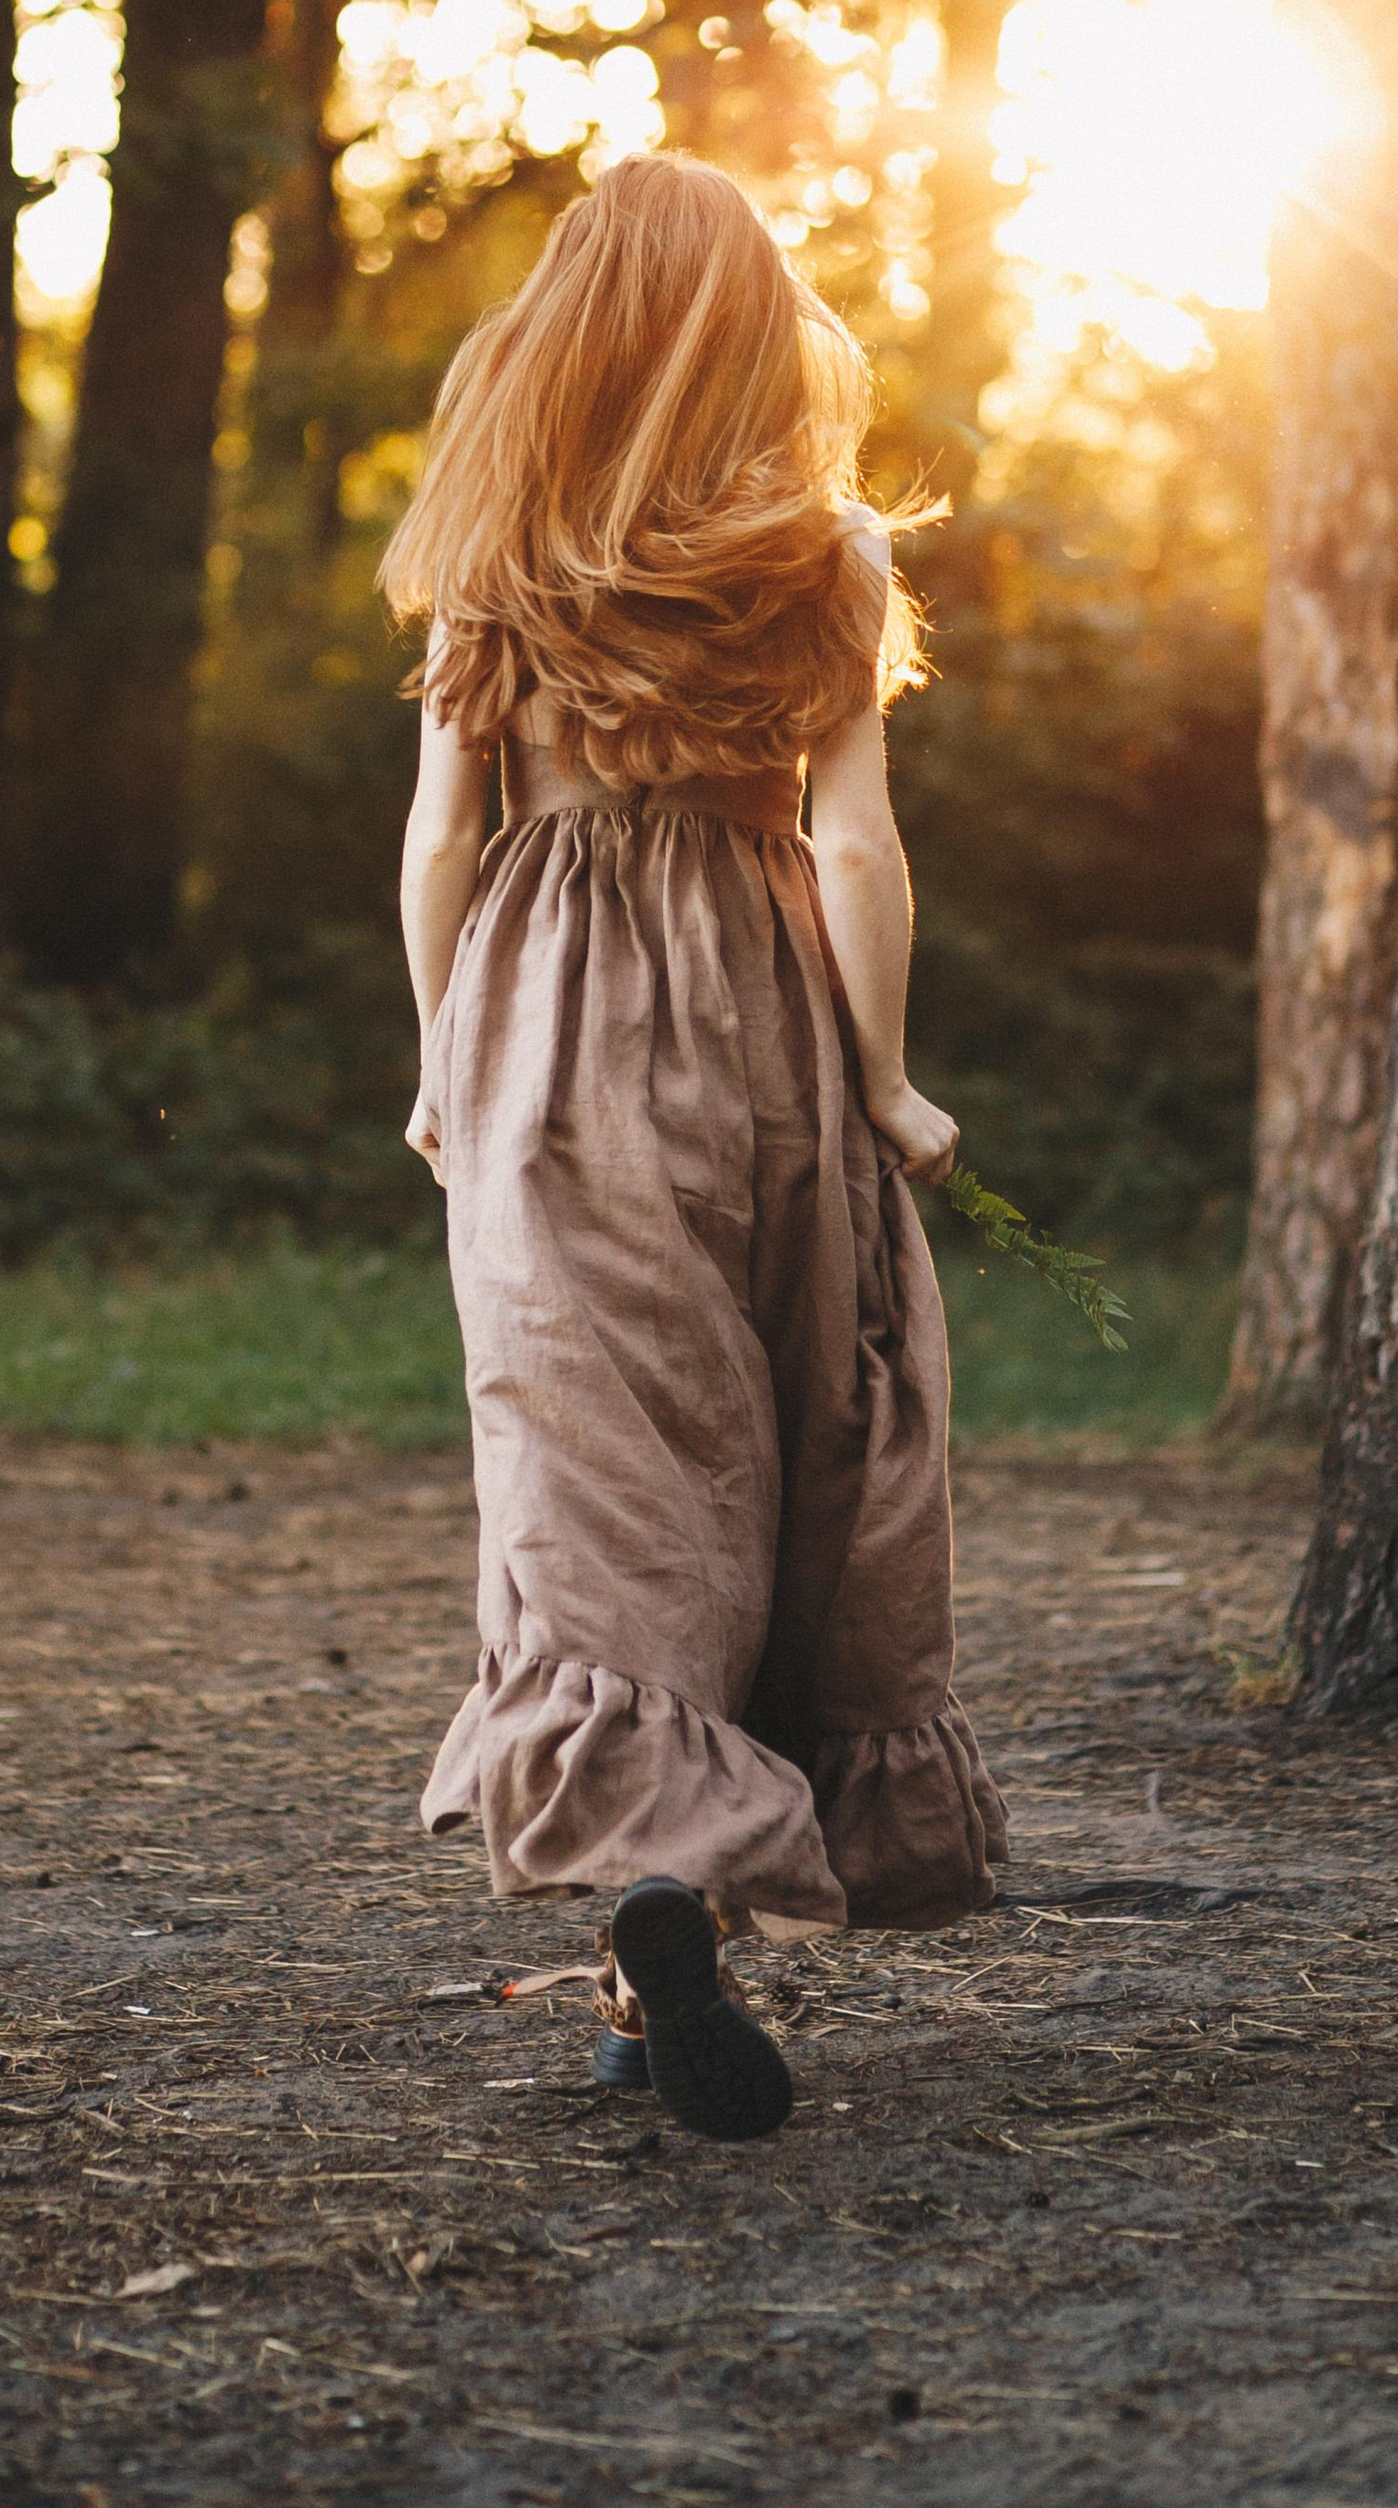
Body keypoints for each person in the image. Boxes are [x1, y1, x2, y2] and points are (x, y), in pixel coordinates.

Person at [380, 152, 1006, 2144]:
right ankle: (666, 1984)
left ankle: (649, 1904)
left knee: (595, 1462)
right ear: (757, 331)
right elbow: (851, 844)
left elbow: (439, 841)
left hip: (552, 1045)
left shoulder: (501, 547)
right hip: (765, 1034)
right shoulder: (826, 552)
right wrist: (888, 1078)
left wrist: (434, 1059)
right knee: (786, 1445)